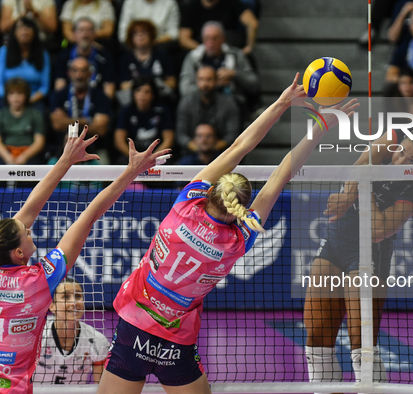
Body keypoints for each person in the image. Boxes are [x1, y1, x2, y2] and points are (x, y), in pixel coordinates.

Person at [95, 75, 357, 394]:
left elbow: (239, 147)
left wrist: (281, 102)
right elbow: (282, 173)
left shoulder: (186, 206)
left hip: (133, 328)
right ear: (239, 210)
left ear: (211, 192)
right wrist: (319, 130)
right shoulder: (238, 239)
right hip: (175, 342)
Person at [0, 122, 171, 393]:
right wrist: (131, 172)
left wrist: (66, 160)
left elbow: (27, 211)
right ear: (19, 253)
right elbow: (90, 214)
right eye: (27, 233)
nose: (30, 228)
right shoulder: (38, 281)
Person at [303, 126, 413, 387]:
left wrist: (365, 186)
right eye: (401, 152)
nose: (401, 160)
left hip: (369, 254)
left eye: (412, 160)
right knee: (316, 337)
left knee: (361, 345)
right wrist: (350, 194)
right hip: (335, 243)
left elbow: (379, 229)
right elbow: (359, 165)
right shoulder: (391, 139)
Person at [33, 277, 110, 384]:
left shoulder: (98, 341)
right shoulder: (34, 336)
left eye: (78, 296)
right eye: (65, 297)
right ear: (52, 305)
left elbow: (102, 388)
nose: (74, 302)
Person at [179, 21, 259, 110]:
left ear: (223, 39)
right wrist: (214, 85)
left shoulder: (236, 55)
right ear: (202, 40)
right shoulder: (193, 58)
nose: (211, 43)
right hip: (200, 105)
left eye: (215, 38)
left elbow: (254, 84)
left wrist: (235, 74)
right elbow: (185, 90)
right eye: (207, 39)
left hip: (232, 103)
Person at [49, 57, 112, 159]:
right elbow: (57, 124)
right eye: (75, 70)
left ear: (90, 74)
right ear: (69, 73)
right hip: (62, 148)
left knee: (104, 164)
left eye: (83, 71)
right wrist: (87, 121)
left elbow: (101, 129)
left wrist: (67, 121)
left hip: (94, 149)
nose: (79, 75)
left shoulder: (100, 97)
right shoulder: (59, 96)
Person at [176, 65, 240, 155]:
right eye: (201, 79)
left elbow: (233, 134)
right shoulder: (186, 103)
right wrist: (198, 148)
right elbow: (181, 135)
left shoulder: (229, 104)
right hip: (193, 153)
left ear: (216, 81)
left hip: (222, 153)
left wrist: (213, 148)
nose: (205, 84)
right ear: (196, 81)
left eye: (209, 79)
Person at [114, 76, 174, 164]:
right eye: (138, 91)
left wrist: (153, 157)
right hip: (131, 156)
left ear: (153, 94)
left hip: (156, 156)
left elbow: (169, 139)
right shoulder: (126, 111)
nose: (142, 95)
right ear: (133, 93)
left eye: (147, 92)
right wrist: (134, 157)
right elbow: (119, 140)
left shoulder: (162, 110)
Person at [54, 18, 116, 100]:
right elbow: (59, 88)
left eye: (89, 30)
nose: (85, 34)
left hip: (97, 103)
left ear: (94, 34)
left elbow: (109, 92)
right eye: (81, 30)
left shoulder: (105, 58)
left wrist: (101, 108)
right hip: (70, 103)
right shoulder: (64, 56)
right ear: (74, 34)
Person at [118, 20, 177, 106]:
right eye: (135, 33)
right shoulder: (125, 59)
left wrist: (155, 86)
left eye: (144, 32)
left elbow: (172, 82)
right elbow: (123, 85)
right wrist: (141, 88)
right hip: (135, 100)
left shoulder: (163, 55)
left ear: (151, 35)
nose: (140, 35)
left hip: (159, 97)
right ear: (131, 37)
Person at [0, 17, 50, 109]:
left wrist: (27, 100)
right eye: (20, 28)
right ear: (14, 32)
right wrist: (13, 100)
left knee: (41, 111)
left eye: (28, 28)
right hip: (7, 100)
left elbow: (44, 87)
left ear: (34, 33)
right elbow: (0, 83)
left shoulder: (43, 54)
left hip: (33, 100)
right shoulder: (4, 52)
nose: (24, 31)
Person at [179, 0, 258, 54]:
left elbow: (252, 23)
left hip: (227, 49)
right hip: (201, 50)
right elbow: (184, 39)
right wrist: (204, 49)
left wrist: (249, 48)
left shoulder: (230, 2)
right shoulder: (190, 7)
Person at [0, 78, 45, 165]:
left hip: (29, 153)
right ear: (6, 96)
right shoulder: (1, 114)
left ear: (26, 95)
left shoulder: (35, 114)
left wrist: (24, 156)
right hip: (6, 153)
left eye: (19, 93)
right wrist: (8, 157)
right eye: (12, 93)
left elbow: (39, 141)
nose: (15, 97)